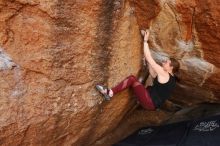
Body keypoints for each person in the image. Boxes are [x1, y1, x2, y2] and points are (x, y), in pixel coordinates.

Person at [96, 30, 180, 110]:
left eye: (166, 62)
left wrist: (145, 41)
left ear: (171, 67)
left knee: (132, 79)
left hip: (149, 102)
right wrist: (148, 61)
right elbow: (153, 74)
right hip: (153, 105)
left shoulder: (164, 73)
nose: (164, 62)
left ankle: (109, 93)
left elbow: (149, 58)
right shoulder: (172, 79)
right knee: (147, 86)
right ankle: (137, 99)